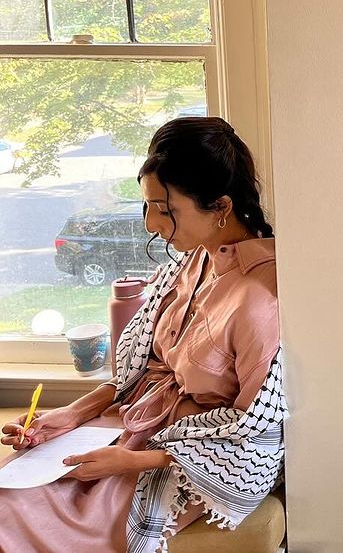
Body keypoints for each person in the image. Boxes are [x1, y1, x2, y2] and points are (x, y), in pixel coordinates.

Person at [0, 117, 286, 553]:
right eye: (147, 205)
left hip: (186, 457)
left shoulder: (263, 299)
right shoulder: (192, 262)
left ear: (221, 206)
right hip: (129, 426)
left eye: (165, 210)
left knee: (13, 517)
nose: (152, 224)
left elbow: (257, 432)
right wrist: (71, 415)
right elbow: (141, 372)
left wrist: (132, 461)